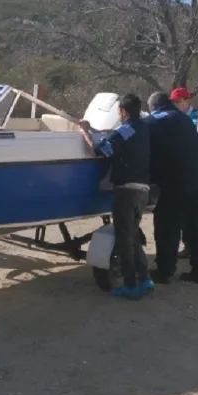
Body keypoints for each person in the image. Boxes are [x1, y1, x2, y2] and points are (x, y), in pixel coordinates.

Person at [78, 93, 154, 300]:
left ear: (123, 112)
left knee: (124, 238)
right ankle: (145, 279)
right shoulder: (144, 128)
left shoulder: (125, 130)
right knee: (132, 237)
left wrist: (85, 131)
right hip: (142, 191)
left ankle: (131, 285)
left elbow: (98, 151)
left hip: (126, 190)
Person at [144, 91, 198, 285]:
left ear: (153, 108)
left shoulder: (151, 123)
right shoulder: (184, 119)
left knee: (168, 225)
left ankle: (165, 271)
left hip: (177, 181)